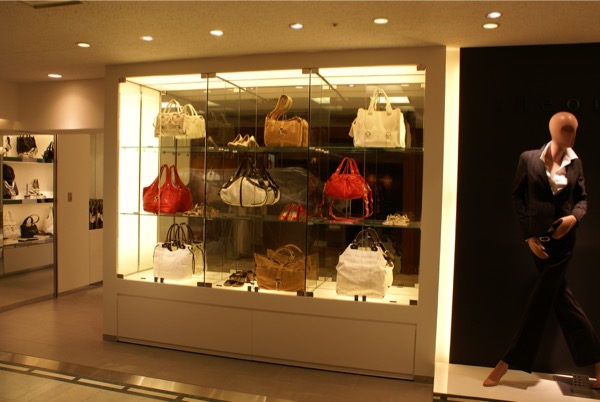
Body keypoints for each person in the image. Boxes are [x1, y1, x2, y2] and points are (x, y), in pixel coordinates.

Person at [483, 111, 600, 388]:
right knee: (565, 302)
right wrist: (528, 237)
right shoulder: (528, 158)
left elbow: (582, 200)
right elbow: (518, 197)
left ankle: (505, 363)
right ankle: (598, 362)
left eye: (574, 129)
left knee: (539, 302)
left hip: (564, 242)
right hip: (539, 242)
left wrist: (573, 219)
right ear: (553, 130)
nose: (571, 135)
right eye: (566, 129)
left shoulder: (575, 163)